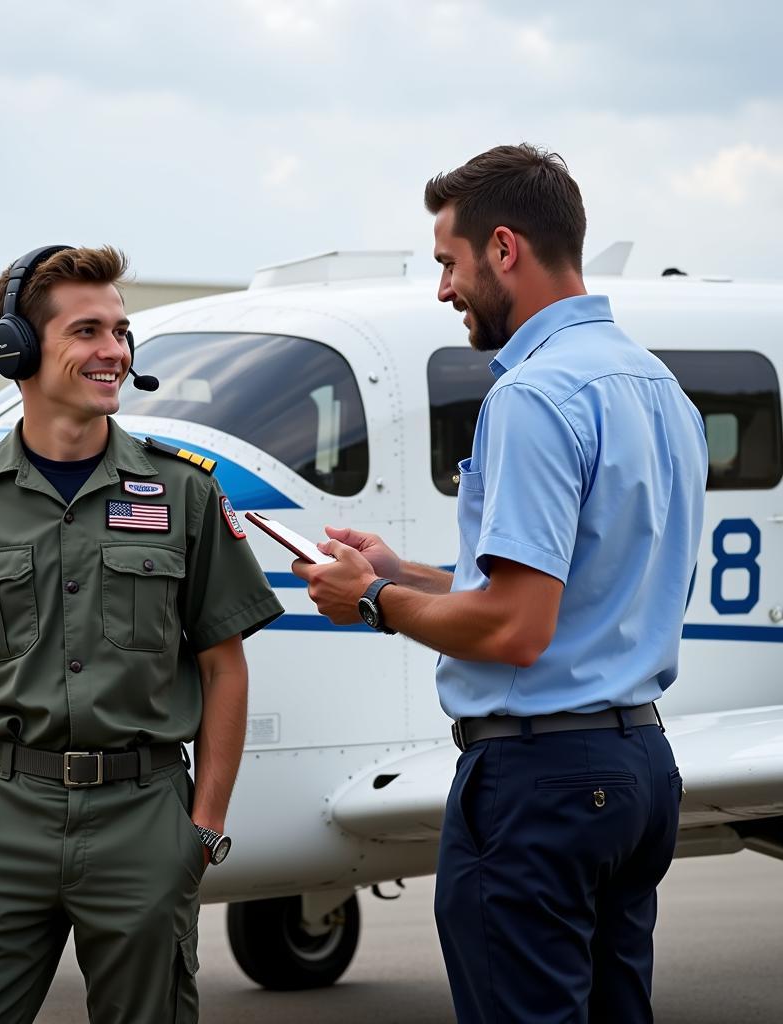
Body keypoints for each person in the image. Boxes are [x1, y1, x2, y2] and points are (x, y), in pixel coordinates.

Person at [294, 145, 708, 1022]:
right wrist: (402, 571)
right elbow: (572, 587)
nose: (444, 287)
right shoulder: (660, 388)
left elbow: (518, 629)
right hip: (636, 772)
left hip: (540, 782)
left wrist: (368, 601)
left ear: (505, 248)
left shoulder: (532, 395)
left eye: (449, 261)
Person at [0, 245, 283, 1024]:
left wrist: (203, 828)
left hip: (146, 816)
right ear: (16, 349)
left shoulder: (185, 491)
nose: (114, 351)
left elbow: (225, 668)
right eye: (88, 331)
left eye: (120, 332)